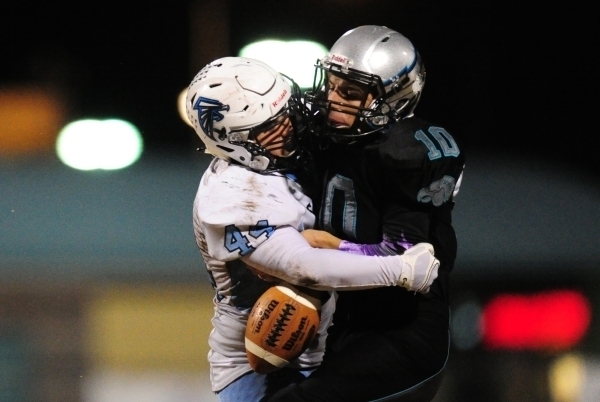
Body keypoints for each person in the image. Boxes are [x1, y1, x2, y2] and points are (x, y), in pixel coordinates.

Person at [185, 56, 440, 402]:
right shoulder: (233, 194)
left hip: (325, 344)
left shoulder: (287, 154)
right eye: (269, 126)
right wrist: (401, 269)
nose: (287, 126)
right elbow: (302, 266)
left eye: (285, 110)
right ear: (232, 141)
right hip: (262, 356)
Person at [267, 26, 466, 402]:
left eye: (350, 93)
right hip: (346, 325)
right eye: (332, 85)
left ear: (393, 96)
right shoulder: (332, 139)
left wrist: (326, 246)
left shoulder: (405, 153)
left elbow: (407, 263)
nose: (333, 99)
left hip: (402, 334)